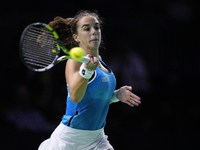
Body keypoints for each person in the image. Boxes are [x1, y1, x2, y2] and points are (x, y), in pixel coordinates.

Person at [38, 10, 141, 150]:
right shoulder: (75, 61)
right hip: (70, 139)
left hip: (97, 137)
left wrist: (117, 95)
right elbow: (75, 96)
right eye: (87, 28)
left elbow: (95, 98)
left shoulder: (101, 62)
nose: (94, 31)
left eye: (96, 27)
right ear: (76, 37)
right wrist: (86, 71)